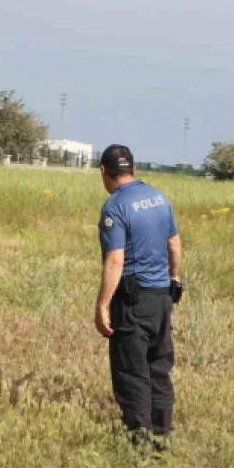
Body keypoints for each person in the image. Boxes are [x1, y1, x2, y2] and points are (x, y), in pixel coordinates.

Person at [94, 144, 183, 451]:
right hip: (161, 298)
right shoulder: (159, 198)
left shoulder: (115, 207)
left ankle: (139, 443)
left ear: (104, 172)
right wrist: (173, 279)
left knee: (132, 372)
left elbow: (115, 261)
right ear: (132, 168)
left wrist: (103, 305)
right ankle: (162, 435)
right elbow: (174, 244)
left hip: (131, 300)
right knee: (158, 368)